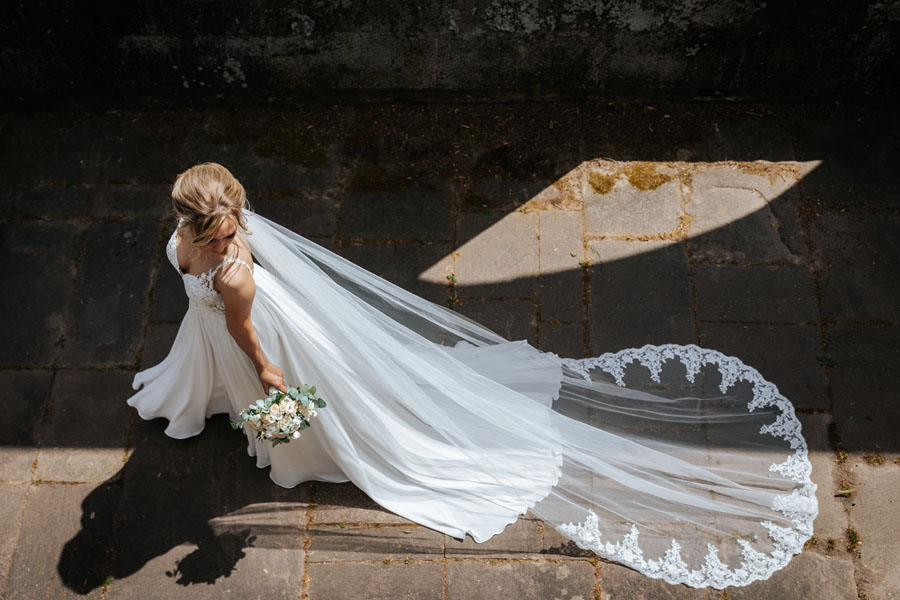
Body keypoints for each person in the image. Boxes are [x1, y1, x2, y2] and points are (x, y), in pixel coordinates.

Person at [127, 162, 817, 589]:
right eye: (207, 228)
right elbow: (215, 306)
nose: (203, 237)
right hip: (215, 333)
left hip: (251, 339)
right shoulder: (200, 243)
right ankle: (209, 396)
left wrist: (272, 381)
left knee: (288, 392)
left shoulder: (236, 274)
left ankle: (308, 441)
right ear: (202, 221)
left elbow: (250, 338)